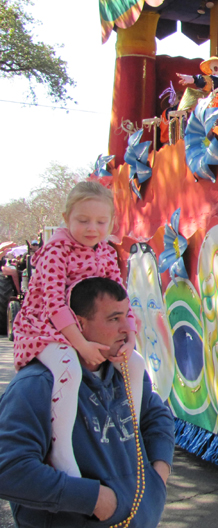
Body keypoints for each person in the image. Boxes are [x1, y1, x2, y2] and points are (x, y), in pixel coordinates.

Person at [0, 277, 174, 528]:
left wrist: (158, 475)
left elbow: (157, 417)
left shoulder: (124, 372)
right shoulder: (37, 385)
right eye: (114, 319)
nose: (127, 328)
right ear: (78, 324)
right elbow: (9, 468)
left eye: (127, 315)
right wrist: (95, 500)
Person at [12, 181, 145, 478]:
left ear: (111, 222)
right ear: (67, 218)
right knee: (69, 367)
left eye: (100, 221)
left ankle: (129, 433)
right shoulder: (56, 251)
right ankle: (60, 449)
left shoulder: (107, 254)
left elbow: (120, 298)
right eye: (82, 220)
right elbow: (53, 304)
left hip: (86, 330)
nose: (92, 228)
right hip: (44, 327)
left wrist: (129, 337)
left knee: (134, 364)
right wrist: (81, 346)